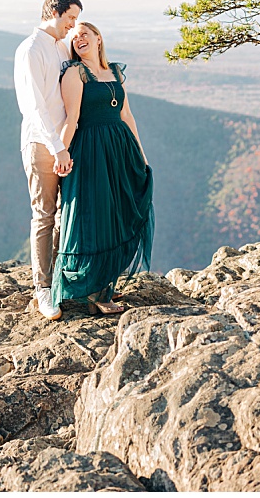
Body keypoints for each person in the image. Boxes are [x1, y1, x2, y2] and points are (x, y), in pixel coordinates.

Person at [50, 21, 154, 315]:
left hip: (119, 149)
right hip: (91, 150)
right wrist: (61, 152)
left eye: (84, 33)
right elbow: (72, 118)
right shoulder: (74, 73)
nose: (78, 38)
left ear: (98, 38)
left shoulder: (115, 73)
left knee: (115, 213)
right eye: (74, 37)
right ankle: (93, 292)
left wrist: (141, 156)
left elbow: (127, 115)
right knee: (94, 216)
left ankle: (105, 282)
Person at [13, 0, 81, 321]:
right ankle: (42, 288)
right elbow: (34, 106)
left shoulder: (61, 47)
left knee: (65, 215)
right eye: (70, 18)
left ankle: (60, 280)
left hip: (66, 142)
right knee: (45, 214)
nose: (73, 26)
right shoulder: (31, 49)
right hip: (43, 145)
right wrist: (58, 147)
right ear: (54, 12)